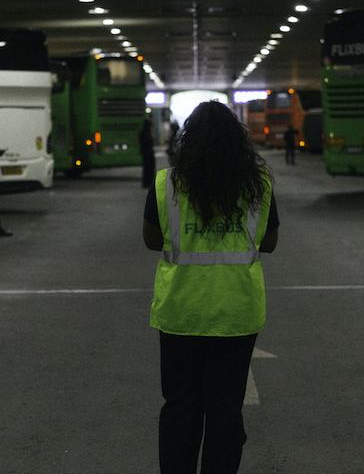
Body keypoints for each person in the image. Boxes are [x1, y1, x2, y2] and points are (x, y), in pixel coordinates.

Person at [142, 101, 279, 474]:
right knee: (224, 410)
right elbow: (268, 242)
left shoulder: (167, 182)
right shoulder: (257, 185)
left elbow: (152, 239)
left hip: (180, 312)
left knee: (180, 406)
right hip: (235, 313)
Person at [139, 118, 157, 188]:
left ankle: (146, 182)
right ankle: (149, 182)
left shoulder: (142, 132)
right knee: (149, 168)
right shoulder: (147, 133)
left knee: (146, 168)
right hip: (148, 153)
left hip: (145, 153)